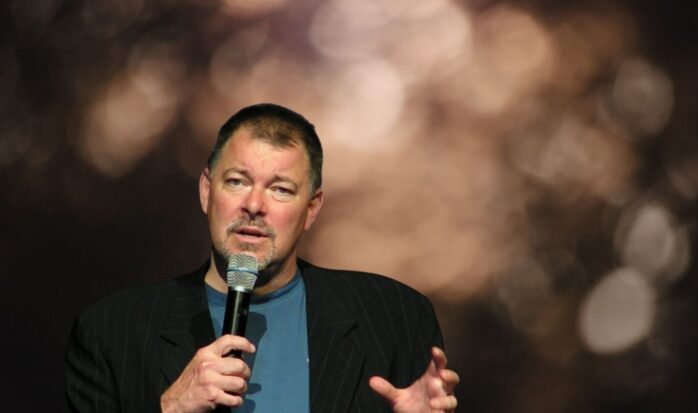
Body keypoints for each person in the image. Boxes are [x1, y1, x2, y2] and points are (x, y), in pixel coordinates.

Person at [65, 103, 459, 412]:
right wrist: (171, 409)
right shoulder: (111, 332)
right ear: (206, 191)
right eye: (237, 182)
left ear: (311, 208)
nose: (254, 205)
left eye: (281, 190)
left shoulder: (395, 318)